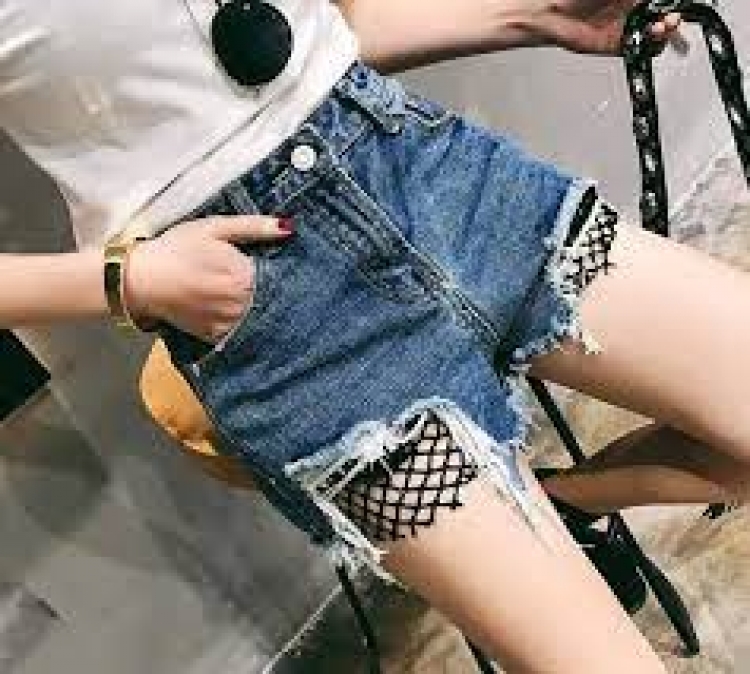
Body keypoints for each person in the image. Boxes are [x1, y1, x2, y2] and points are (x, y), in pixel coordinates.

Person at [1, 0, 747, 670]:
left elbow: (324, 29)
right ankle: (517, 541)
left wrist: (534, 16)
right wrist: (128, 279)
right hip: (285, 319)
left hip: (430, 169)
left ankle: (562, 505)